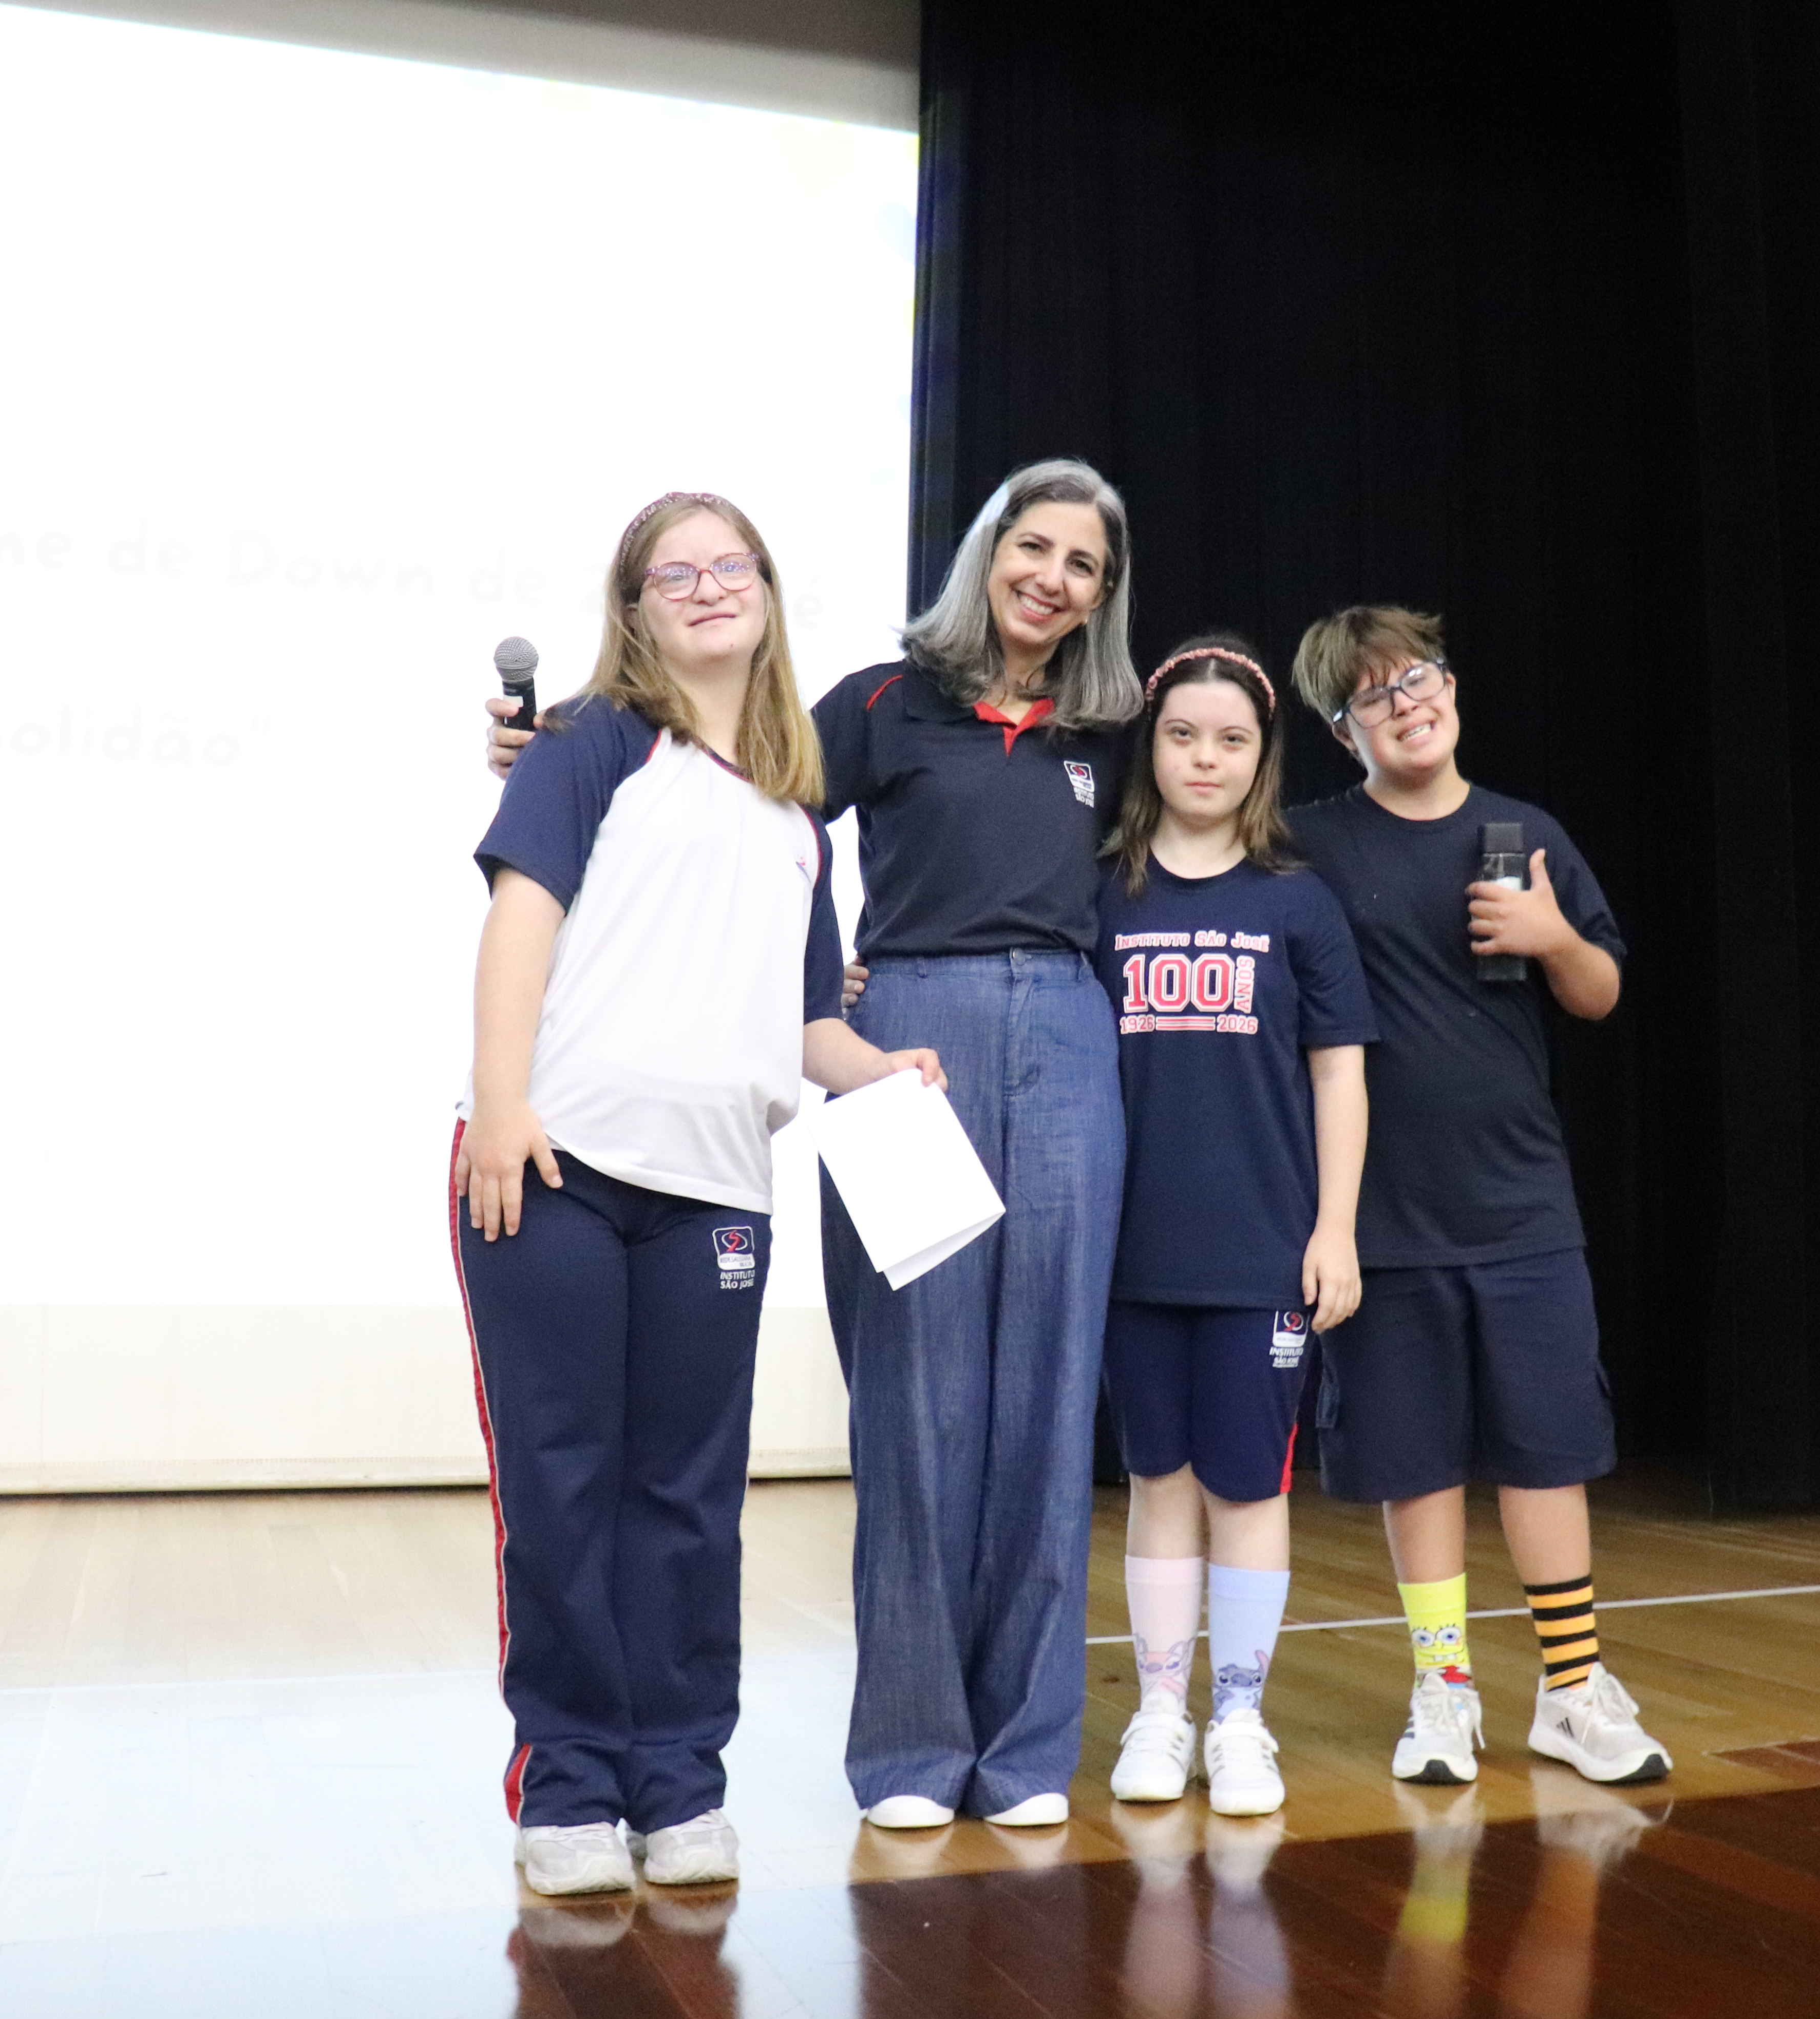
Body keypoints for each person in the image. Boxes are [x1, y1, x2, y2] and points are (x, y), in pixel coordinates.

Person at [485, 456, 1139, 1830]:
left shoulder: (1109, 734)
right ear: (985, 554)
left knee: (1040, 1407)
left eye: (1083, 563)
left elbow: (791, 958)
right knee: (911, 1405)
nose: (1052, 577)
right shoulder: (874, 704)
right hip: (885, 1036)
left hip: (1037, 1049)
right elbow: (693, 798)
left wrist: (855, 1049)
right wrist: (528, 752)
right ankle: (894, 1752)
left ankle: (1013, 1751)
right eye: (1032, 546)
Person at [453, 490, 941, 1899]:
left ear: (771, 593)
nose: (710, 586)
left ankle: (679, 1785)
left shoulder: (798, 811)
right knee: (562, 1490)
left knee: (686, 1500)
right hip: (549, 1172)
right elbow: (520, 919)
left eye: (733, 565)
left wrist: (884, 1069)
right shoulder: (592, 746)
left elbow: (801, 1024)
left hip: (719, 1196)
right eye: (679, 573)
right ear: (638, 607)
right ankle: (570, 1787)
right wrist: (499, 1106)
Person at [1281, 605, 1672, 1789]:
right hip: (1380, 1215)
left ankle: (1571, 1690)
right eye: (1377, 694)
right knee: (1417, 1458)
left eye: (1423, 677)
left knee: (1547, 1447)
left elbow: (1600, 993)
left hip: (1521, 1206)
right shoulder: (1308, 846)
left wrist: (1554, 936)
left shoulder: (1525, 833)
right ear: (1344, 730)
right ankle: (1442, 1687)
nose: (1411, 701)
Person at [1090, 636, 1374, 1819]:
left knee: (1249, 1487)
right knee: (1160, 1478)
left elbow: (1341, 1077)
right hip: (1131, 1252)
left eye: (1233, 739)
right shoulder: (1102, 890)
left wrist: (1337, 1229)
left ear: (1262, 759)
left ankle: (1240, 1717)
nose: (1206, 756)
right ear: (1151, 747)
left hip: (1263, 1249)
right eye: (1184, 734)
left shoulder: (1299, 900)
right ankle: (1161, 1711)